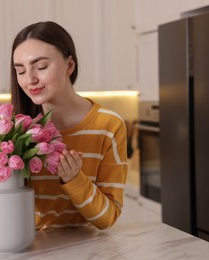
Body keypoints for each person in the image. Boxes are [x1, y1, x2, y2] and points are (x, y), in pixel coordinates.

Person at [10, 21, 128, 230]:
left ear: (69, 65)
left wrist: (74, 179)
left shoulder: (109, 126)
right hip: (28, 248)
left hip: (88, 250)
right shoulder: (9, 131)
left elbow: (107, 218)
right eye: (20, 71)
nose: (30, 79)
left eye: (41, 67)